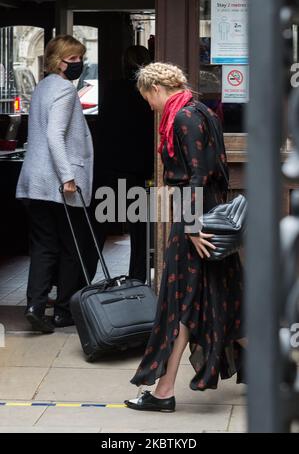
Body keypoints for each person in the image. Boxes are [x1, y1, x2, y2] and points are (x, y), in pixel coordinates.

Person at [124, 62, 246, 412]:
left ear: (157, 89)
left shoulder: (183, 118)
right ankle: (163, 390)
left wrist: (192, 226)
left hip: (196, 219)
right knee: (223, 301)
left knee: (181, 303)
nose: (148, 105)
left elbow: (197, 175)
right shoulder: (200, 110)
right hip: (203, 214)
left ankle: (163, 392)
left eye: (147, 97)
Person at [16, 35, 95, 333]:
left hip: (34, 182)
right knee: (72, 247)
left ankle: (35, 306)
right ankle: (63, 311)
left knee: (43, 245)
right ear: (56, 61)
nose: (78, 64)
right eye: (72, 59)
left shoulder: (42, 87)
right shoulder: (64, 90)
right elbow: (54, 136)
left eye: (79, 59)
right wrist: (68, 177)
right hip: (58, 184)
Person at [93, 45, 154, 283]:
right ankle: (137, 278)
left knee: (98, 226)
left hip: (112, 166)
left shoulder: (112, 89)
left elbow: (105, 128)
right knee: (140, 229)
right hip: (141, 168)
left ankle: (81, 279)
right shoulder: (148, 91)